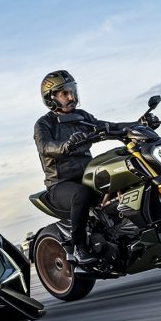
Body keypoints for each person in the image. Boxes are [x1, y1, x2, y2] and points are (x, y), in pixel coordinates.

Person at [33, 70, 112, 265]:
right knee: (81, 194)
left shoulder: (81, 116)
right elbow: (46, 147)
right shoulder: (44, 124)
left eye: (72, 91)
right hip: (61, 184)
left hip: (88, 176)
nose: (71, 97)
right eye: (64, 93)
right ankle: (79, 247)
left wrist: (139, 125)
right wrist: (67, 145)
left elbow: (108, 126)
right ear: (51, 98)